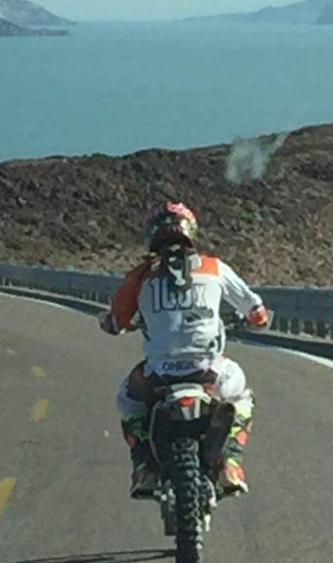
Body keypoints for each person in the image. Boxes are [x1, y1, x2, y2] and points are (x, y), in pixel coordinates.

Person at [101, 201, 271, 498]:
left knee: (127, 401)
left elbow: (116, 321)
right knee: (243, 396)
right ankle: (230, 460)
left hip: (158, 375)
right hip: (210, 371)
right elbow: (256, 311)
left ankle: (144, 467)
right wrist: (255, 319)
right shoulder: (214, 267)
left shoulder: (139, 276)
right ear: (190, 230)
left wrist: (115, 324)